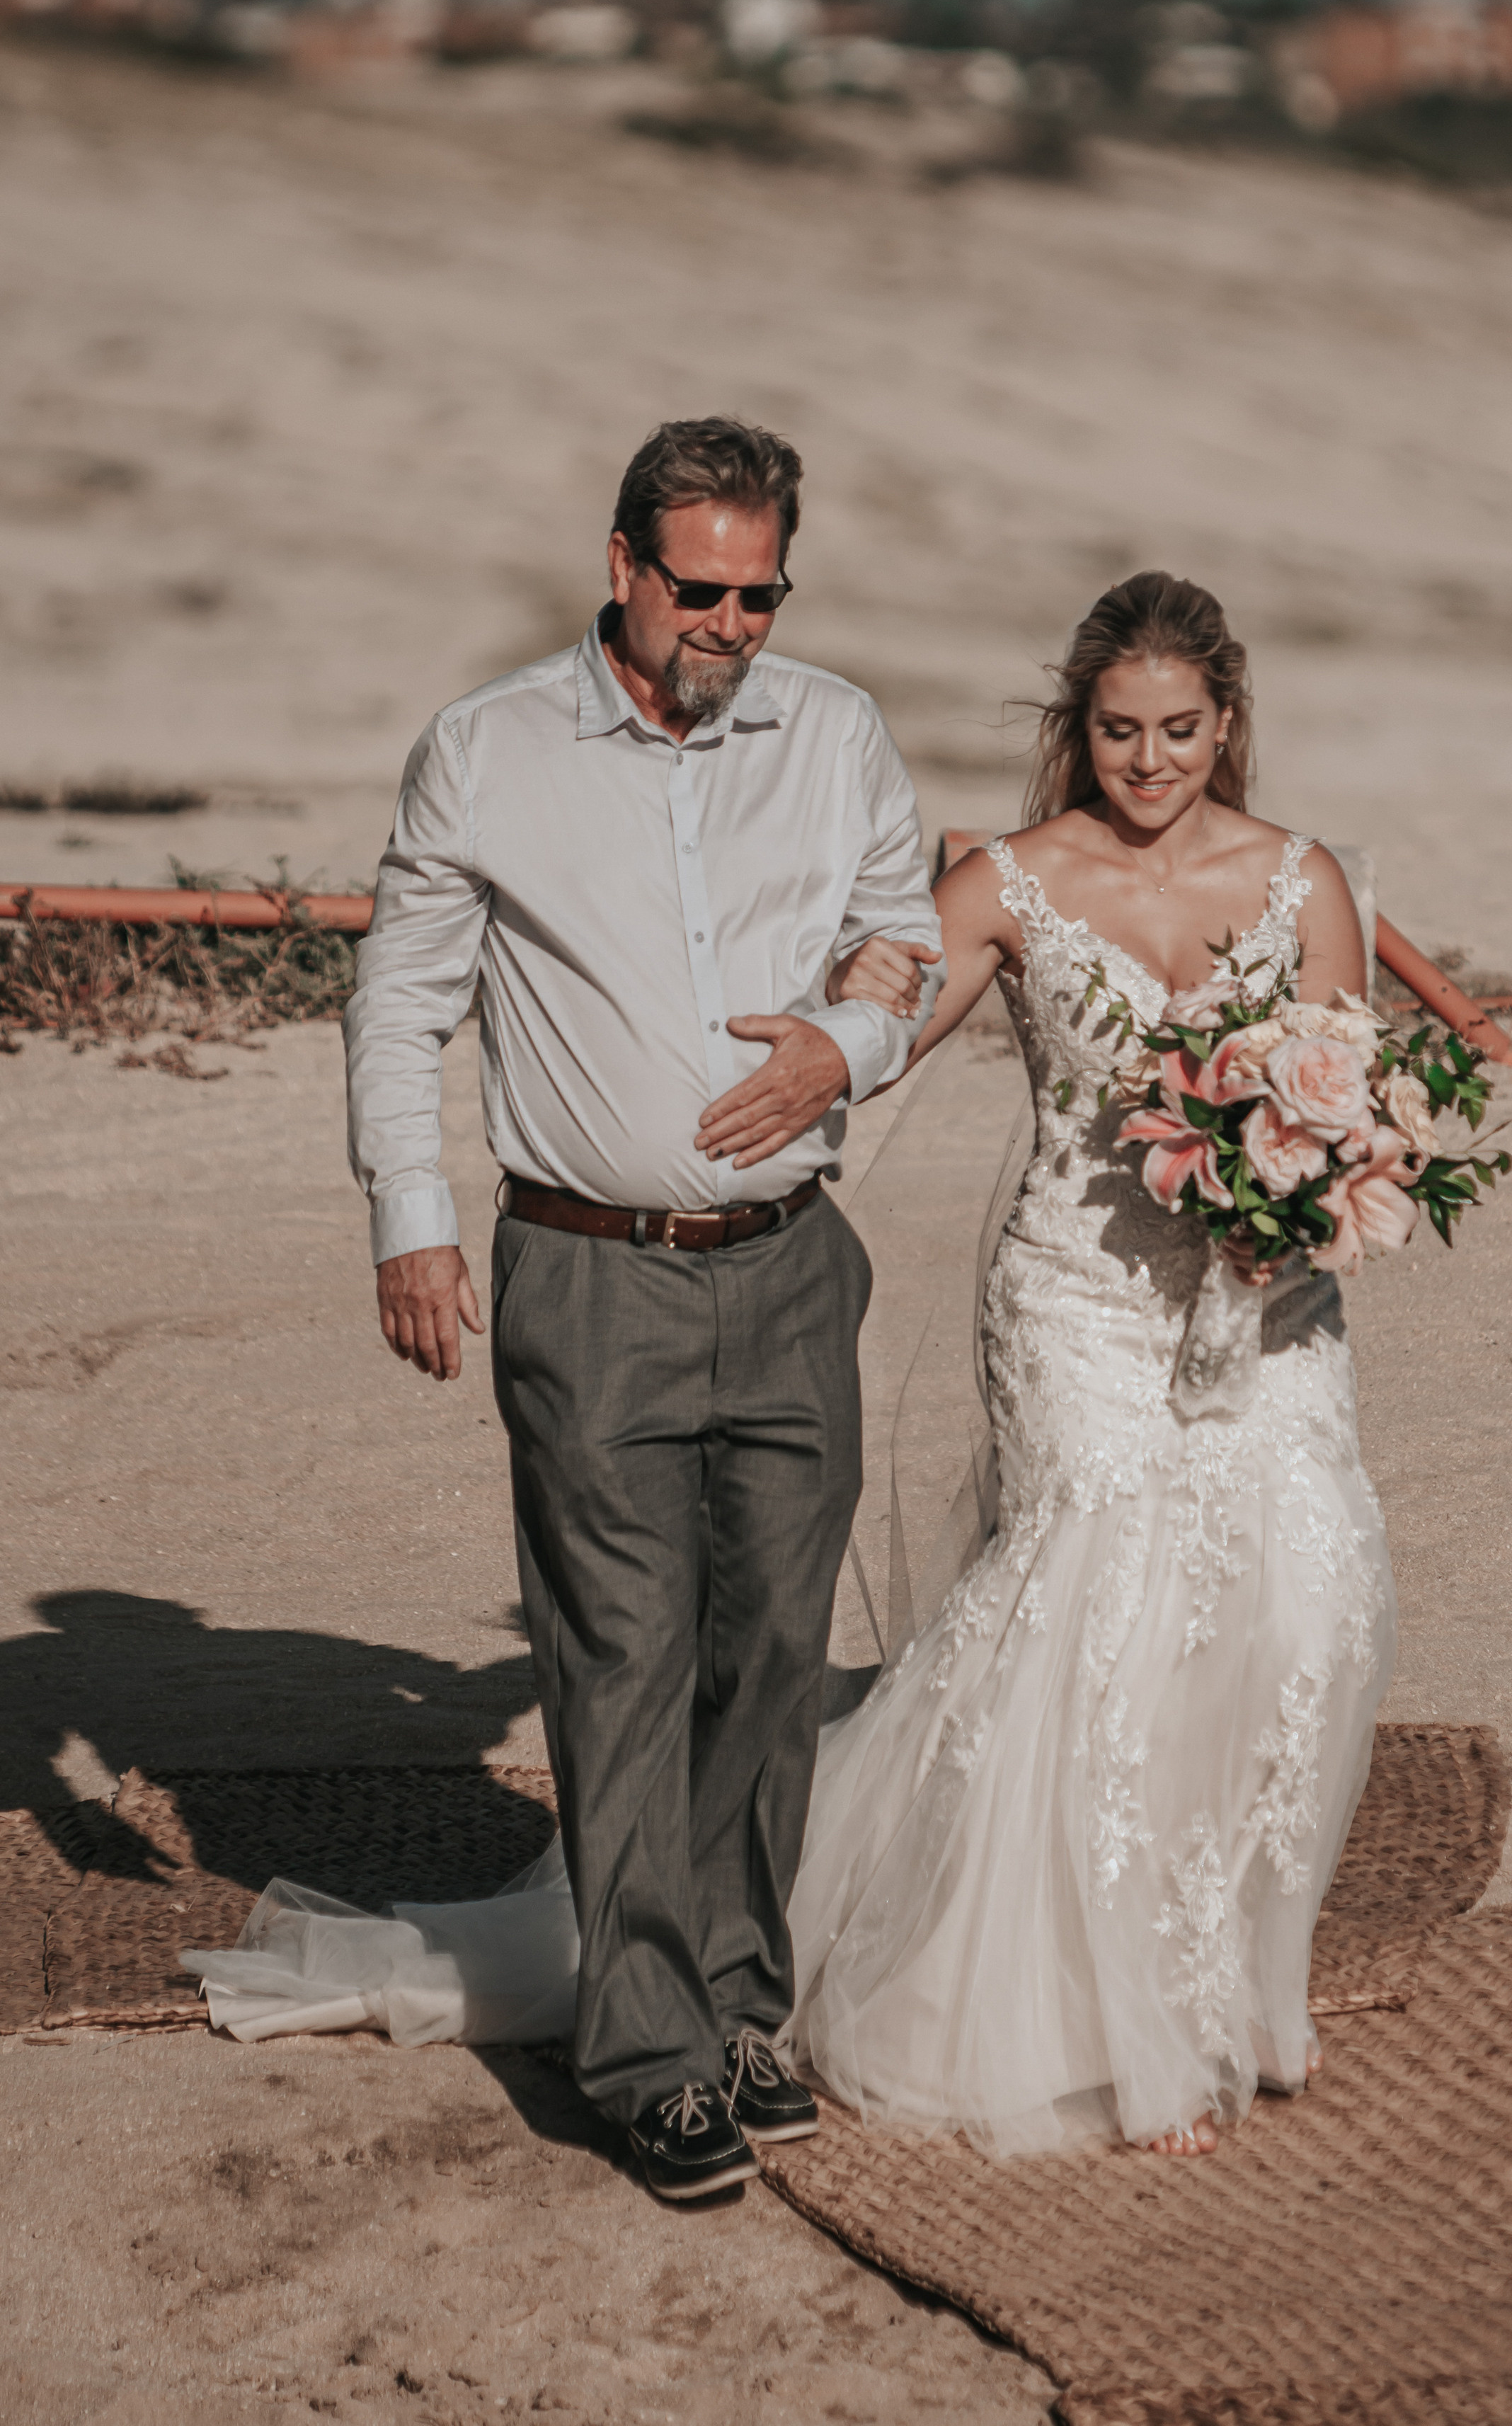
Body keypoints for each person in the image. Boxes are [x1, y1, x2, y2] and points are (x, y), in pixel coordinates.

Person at [184, 418, 944, 2204]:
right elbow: (401, 1004)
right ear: (620, 565)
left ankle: (743, 2002)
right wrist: (413, 1220)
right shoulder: (486, 747)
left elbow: (899, 930)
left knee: (769, 1657)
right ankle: (651, 2049)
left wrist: (855, 1032)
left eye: (761, 592)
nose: (731, 624)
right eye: (699, 589)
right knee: (619, 1660)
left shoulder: (833, 731)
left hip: (792, 1264)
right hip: (583, 1270)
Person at [784, 568, 1396, 2157]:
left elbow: (1350, 1096)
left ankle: (1240, 1975)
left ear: (1226, 722)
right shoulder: (1007, 880)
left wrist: (1304, 1199)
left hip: (1266, 1300)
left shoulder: (1303, 877)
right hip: (1077, 1289)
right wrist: (818, 1026)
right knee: (1106, 1610)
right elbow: (875, 1020)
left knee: (1299, 1598)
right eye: (1117, 730)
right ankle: (1116, 2012)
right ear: (1078, 726)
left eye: (1178, 729)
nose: (1146, 761)